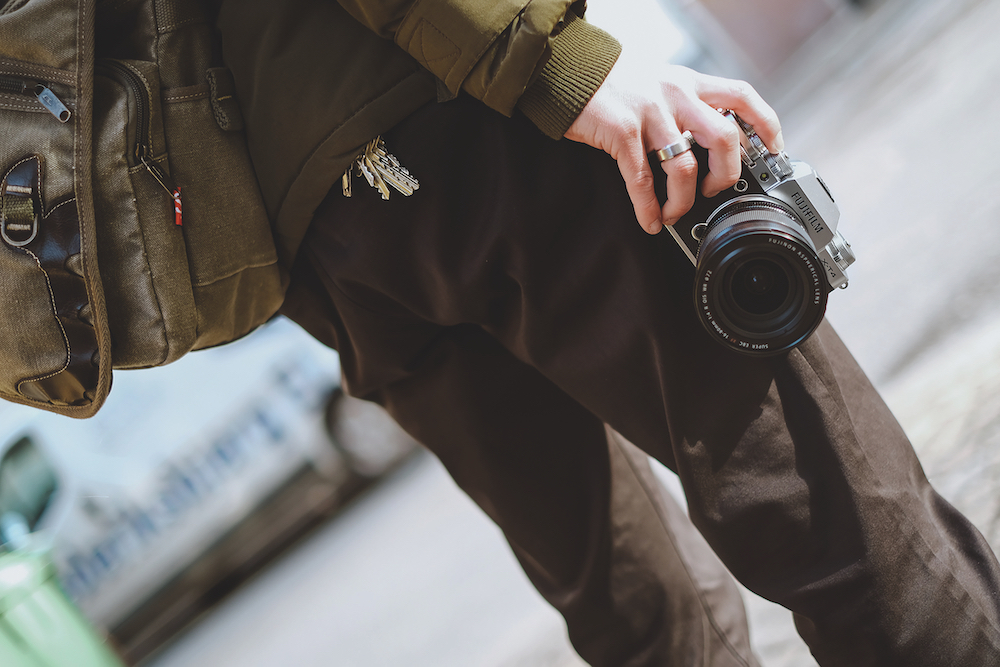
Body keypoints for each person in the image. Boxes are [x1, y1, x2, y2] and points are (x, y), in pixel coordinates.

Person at [217, 0, 1000, 664]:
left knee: (634, 612)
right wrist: (554, 56)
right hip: (457, 106)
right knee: (829, 517)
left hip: (312, 241)